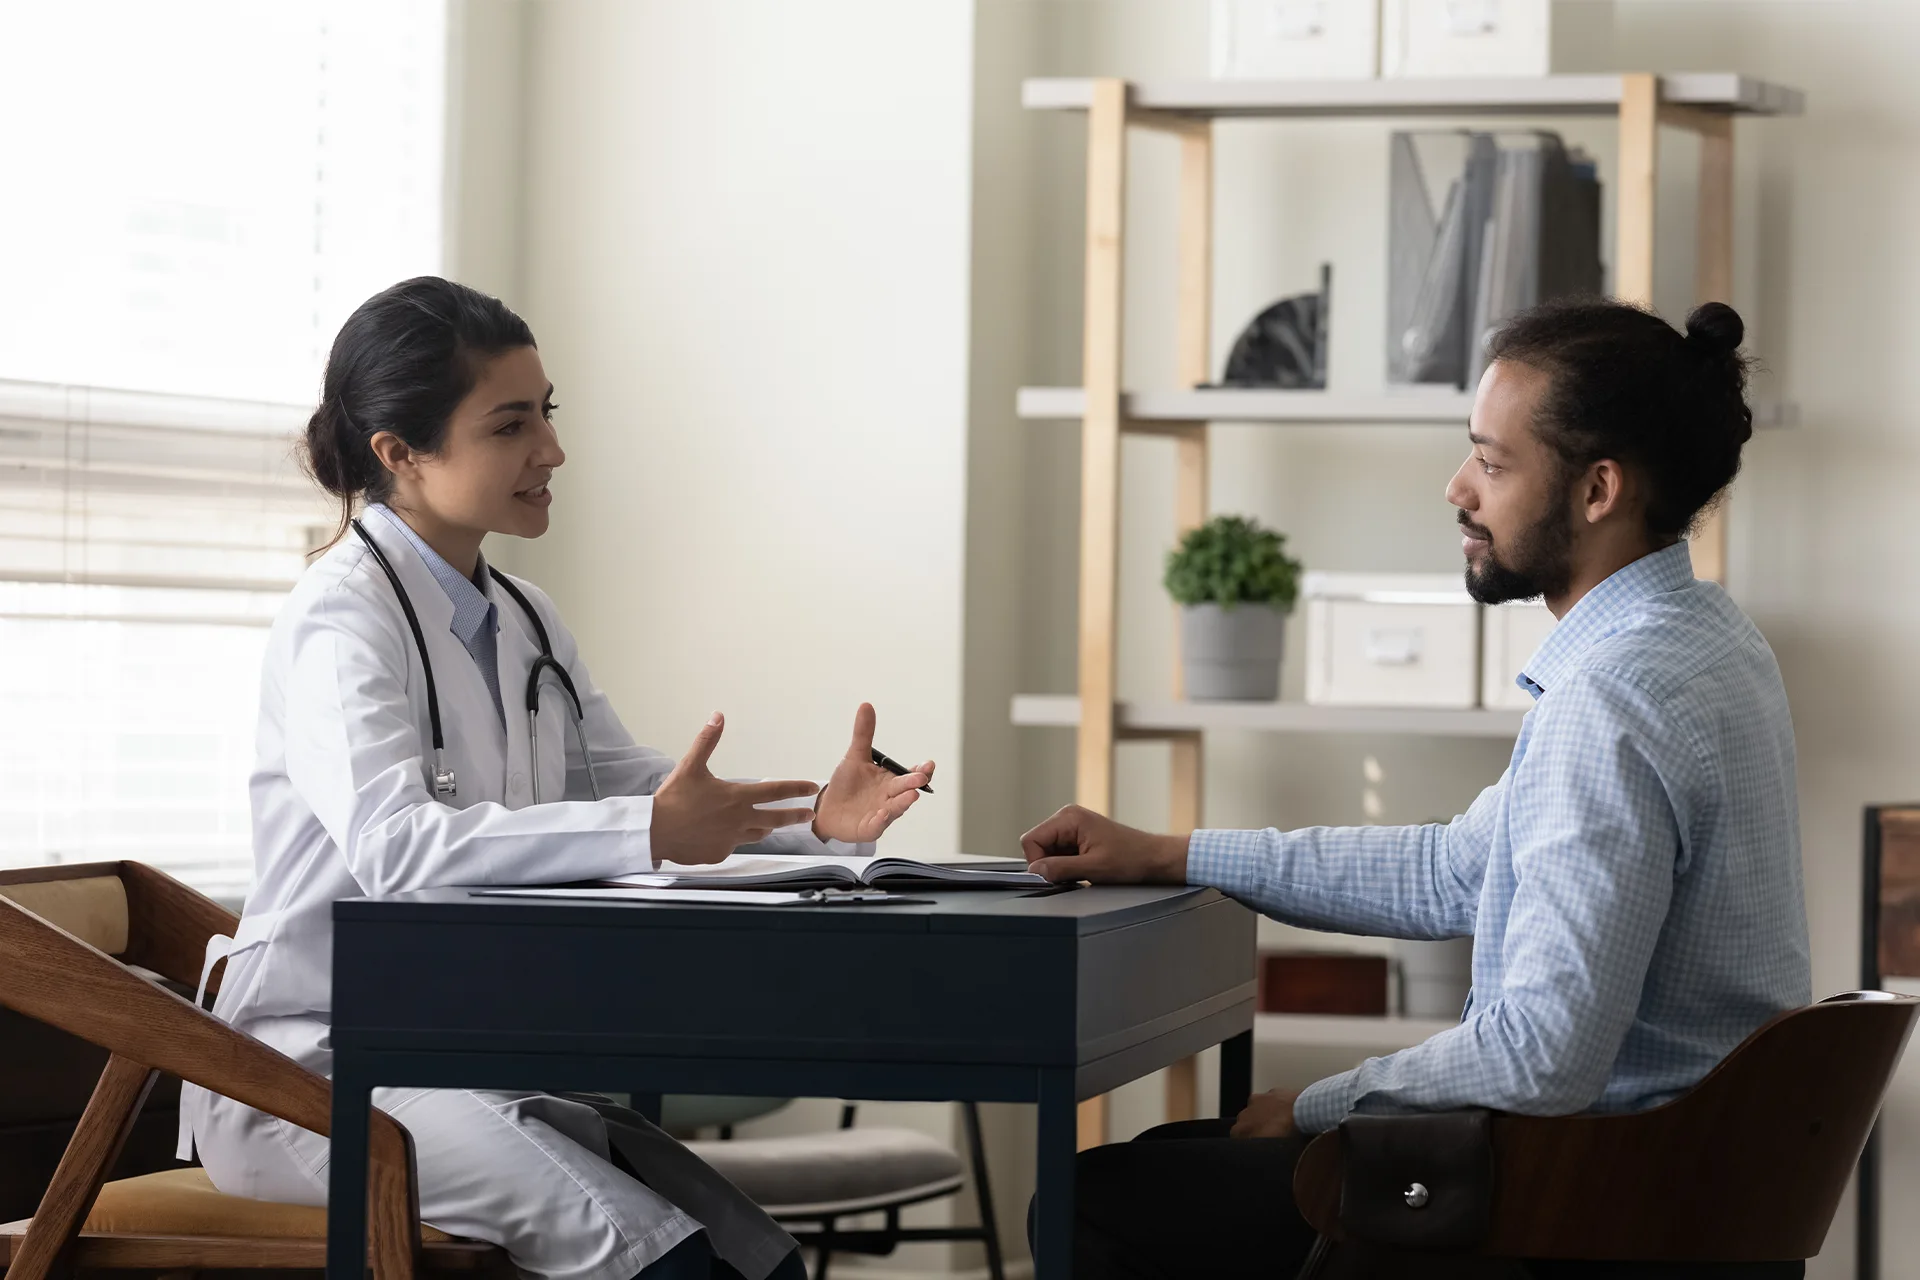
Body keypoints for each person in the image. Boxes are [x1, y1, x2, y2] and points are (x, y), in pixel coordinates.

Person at [1021, 299, 1811, 1279]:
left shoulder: (1610, 702)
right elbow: (1450, 869)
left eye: (1493, 460)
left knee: (1098, 1200)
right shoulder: (1710, 642)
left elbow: (1542, 1056)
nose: (1459, 487)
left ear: (1599, 487)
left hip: (1582, 1205)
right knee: (1166, 1165)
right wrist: (1173, 851)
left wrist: (1313, 1102)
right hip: (1682, 1196)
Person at [182, 276, 936, 1280]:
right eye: (509, 424)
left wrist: (817, 820)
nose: (551, 450)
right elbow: (397, 847)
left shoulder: (524, 614)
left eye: (547, 412)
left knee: (759, 1260)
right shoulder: (340, 617)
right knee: (671, 1266)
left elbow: (625, 781)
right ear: (399, 454)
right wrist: (651, 830)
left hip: (456, 1064)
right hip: (309, 1076)